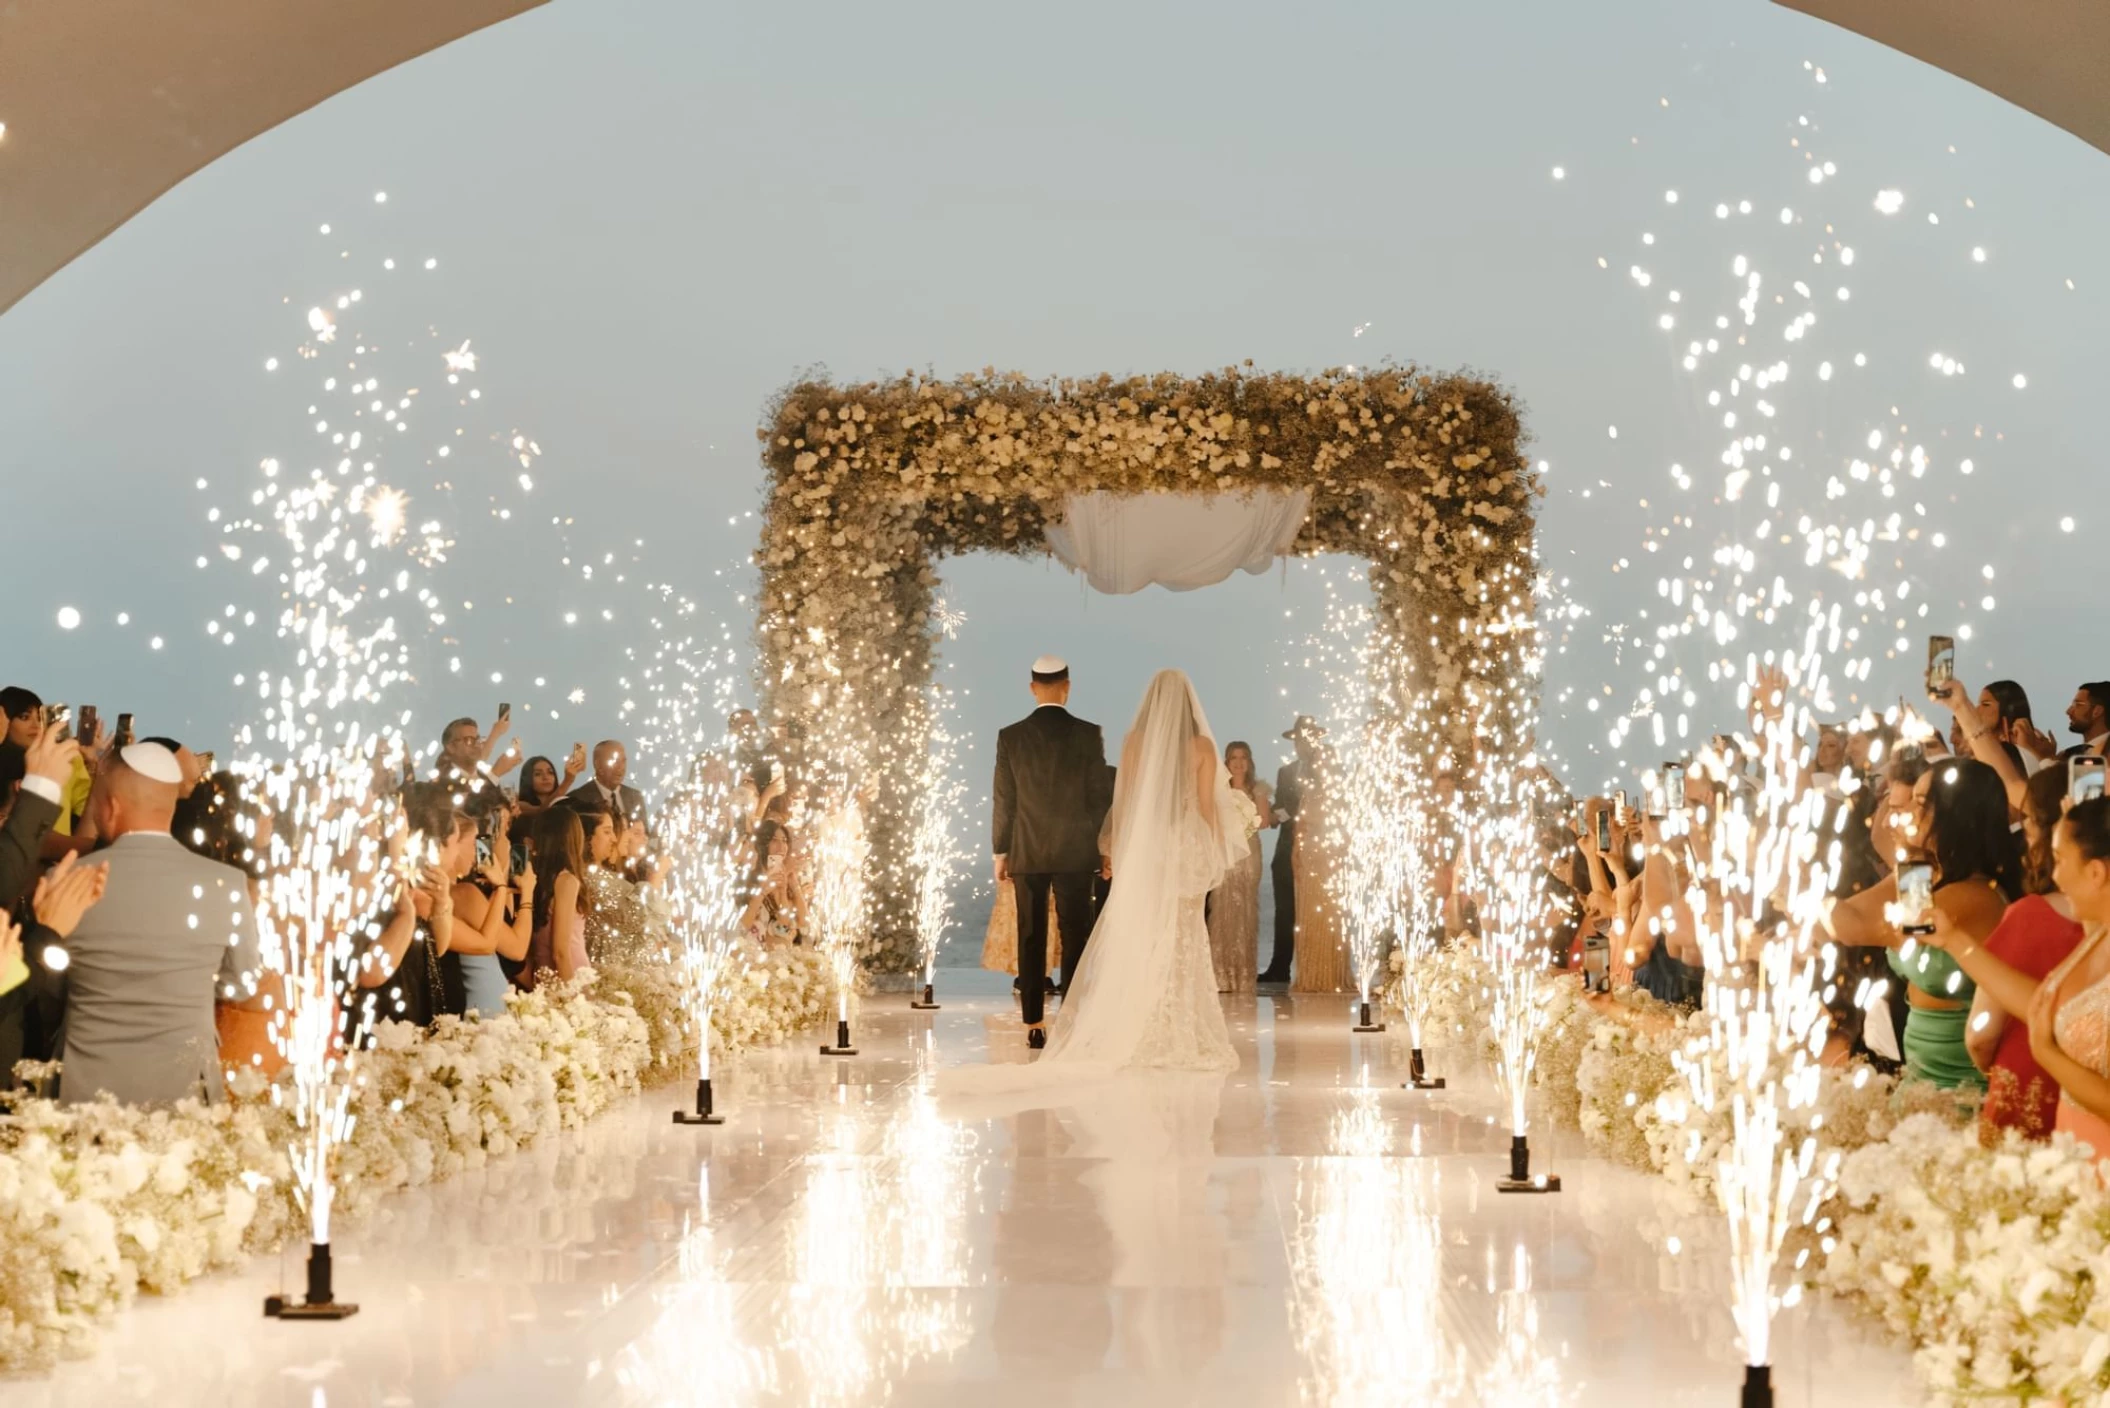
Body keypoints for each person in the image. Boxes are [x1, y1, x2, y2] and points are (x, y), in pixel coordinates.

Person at [1014, 668, 1243, 1074]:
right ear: (1190, 704)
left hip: (1148, 846)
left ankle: (1137, 1023)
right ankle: (1182, 1027)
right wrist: (1216, 843)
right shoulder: (1203, 747)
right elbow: (1207, 810)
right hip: (1185, 846)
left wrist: (1116, 847)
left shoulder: (1134, 742)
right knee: (1185, 934)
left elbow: (1127, 801)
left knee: (1145, 931)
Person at [50, 743, 269, 1105]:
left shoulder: (70, 876)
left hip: (83, 1089)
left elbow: (51, 981)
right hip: (185, 1092)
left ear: (111, 806)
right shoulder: (226, 883)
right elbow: (242, 984)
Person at [1824, 757, 2019, 1090]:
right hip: (1918, 1074)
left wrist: (1804, 880)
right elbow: (1848, 915)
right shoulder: (1924, 878)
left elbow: (1857, 929)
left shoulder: (1974, 896)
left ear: (1955, 815)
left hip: (1959, 1081)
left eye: (1920, 804)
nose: (1906, 815)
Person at [1921, 766, 2084, 1143]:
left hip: (2025, 1089)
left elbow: (1982, 1033)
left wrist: (1997, 1072)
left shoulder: (2029, 916)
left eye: (2027, 819)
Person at [991, 656, 1113, 1048]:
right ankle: (1073, 1020)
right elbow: (1099, 799)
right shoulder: (1088, 733)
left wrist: (1000, 852)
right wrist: (1104, 848)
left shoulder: (1010, 736)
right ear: (1067, 686)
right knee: (1075, 934)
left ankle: (1033, 1025)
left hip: (1027, 849)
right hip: (1077, 849)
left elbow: (1004, 801)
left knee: (1030, 934)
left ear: (1032, 687)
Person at [2017, 797, 2110, 1160]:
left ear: (2095, 873)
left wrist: (2046, 1053)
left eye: (2060, 860)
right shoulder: (2097, 934)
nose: (2054, 876)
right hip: (2073, 1144)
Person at [1205, 740, 1271, 994]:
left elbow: (1263, 821)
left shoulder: (1259, 789)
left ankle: (1243, 974)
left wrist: (1246, 816)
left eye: (1243, 757)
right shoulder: (1218, 789)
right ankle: (1220, 973)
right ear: (1227, 761)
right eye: (1234, 757)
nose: (1239, 762)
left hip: (1249, 854)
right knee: (1221, 909)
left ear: (1250, 761)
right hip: (1225, 853)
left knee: (1244, 910)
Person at [1260, 718, 1321, 986]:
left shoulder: (1330, 769)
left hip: (1318, 849)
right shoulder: (1285, 772)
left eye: (1305, 739)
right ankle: (1280, 967)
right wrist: (1268, 814)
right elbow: (1283, 806)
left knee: (1315, 911)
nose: (1301, 744)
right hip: (1285, 849)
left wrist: (1287, 814)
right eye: (1297, 740)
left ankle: (1315, 967)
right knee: (1284, 911)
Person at [525, 803, 592, 988]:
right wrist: (572, 999)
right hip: (569, 977)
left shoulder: (536, 880)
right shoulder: (567, 881)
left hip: (545, 979)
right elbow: (561, 952)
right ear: (573, 838)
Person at [740, 819, 807, 946]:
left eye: (784, 841)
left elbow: (790, 926)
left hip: (779, 958)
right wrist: (763, 891)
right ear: (762, 845)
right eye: (774, 840)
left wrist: (789, 886)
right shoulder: (749, 882)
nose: (781, 846)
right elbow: (743, 928)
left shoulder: (785, 882)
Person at [571, 739, 647, 834]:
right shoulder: (578, 799)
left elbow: (645, 837)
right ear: (598, 764)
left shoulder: (635, 797)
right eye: (614, 761)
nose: (621, 767)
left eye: (623, 761)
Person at [515, 746, 587, 819]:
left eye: (550, 772)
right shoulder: (520, 806)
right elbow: (541, 812)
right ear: (527, 778)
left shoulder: (565, 803)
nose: (545, 777)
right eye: (538, 774)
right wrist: (567, 781)